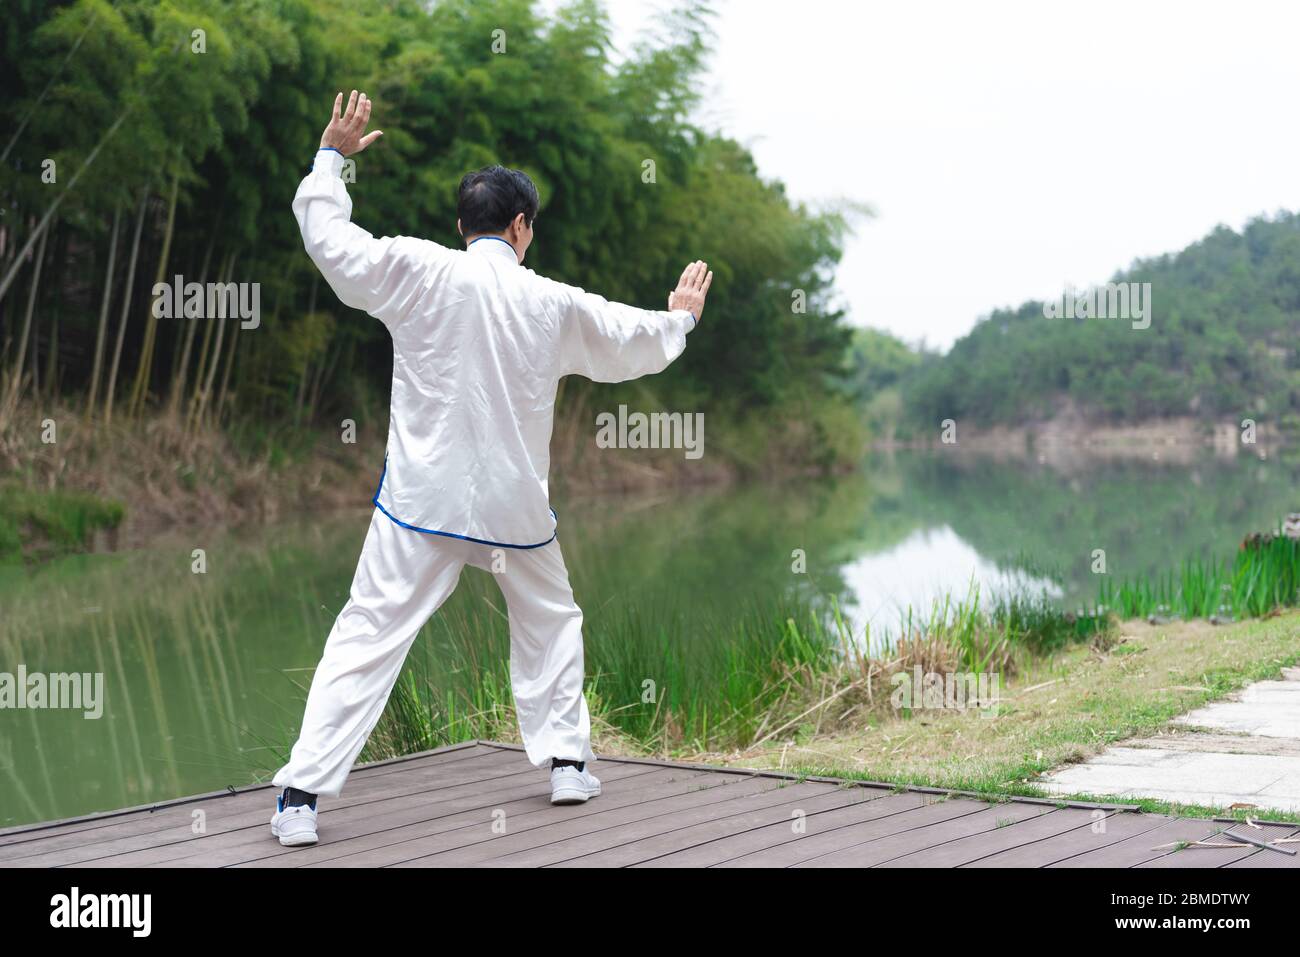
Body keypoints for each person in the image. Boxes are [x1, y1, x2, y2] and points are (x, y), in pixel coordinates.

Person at [269, 90, 713, 847]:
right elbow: (628, 338)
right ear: (520, 227)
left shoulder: (414, 266)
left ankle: (300, 799)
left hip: (418, 504)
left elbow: (331, 242)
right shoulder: (550, 301)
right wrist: (681, 317)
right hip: (515, 510)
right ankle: (567, 762)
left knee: (367, 634)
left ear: (460, 225)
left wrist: (332, 158)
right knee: (549, 621)